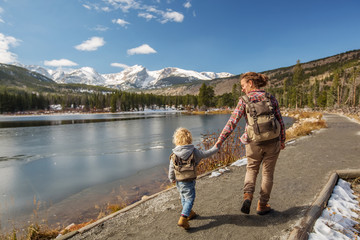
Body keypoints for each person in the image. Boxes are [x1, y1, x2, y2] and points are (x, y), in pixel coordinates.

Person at [215, 72, 285, 215]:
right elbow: (281, 121)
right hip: (273, 142)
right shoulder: (271, 98)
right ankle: (262, 205)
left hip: (253, 143)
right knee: (268, 174)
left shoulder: (244, 100)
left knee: (251, 169)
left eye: (243, 85)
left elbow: (232, 122)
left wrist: (220, 141)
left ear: (251, 83)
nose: (242, 89)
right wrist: (282, 140)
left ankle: (248, 196)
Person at [168, 127, 219, 230]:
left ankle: (189, 213)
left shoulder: (174, 155)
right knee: (190, 199)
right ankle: (183, 218)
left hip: (179, 181)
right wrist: (216, 148)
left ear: (176, 140)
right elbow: (205, 154)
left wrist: (171, 178)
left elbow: (171, 168)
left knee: (183, 197)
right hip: (189, 180)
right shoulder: (193, 151)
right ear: (189, 139)